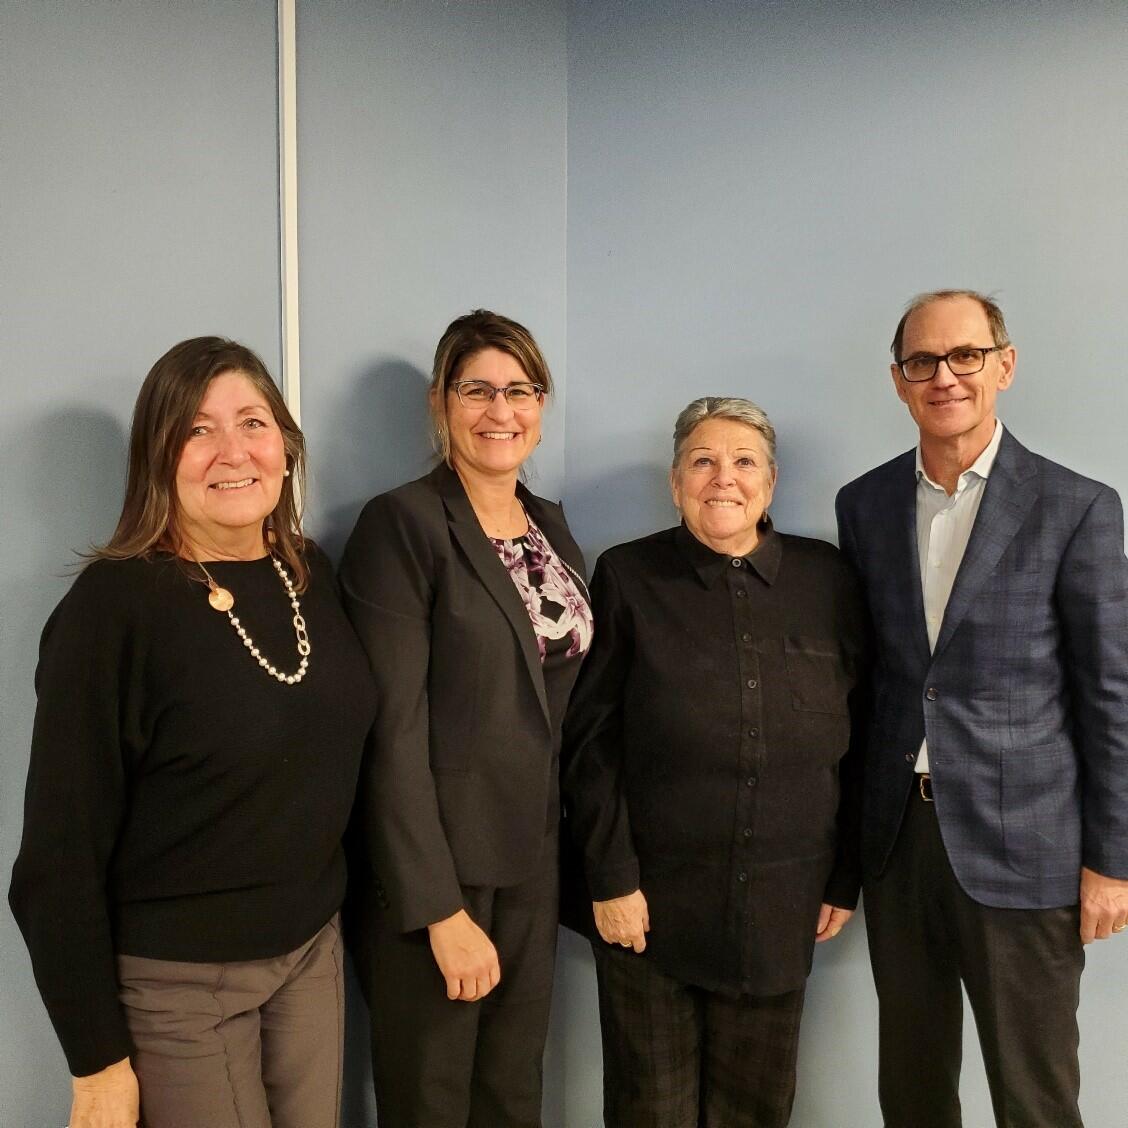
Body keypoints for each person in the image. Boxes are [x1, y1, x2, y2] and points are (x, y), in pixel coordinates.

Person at [8, 337, 377, 1128]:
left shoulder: (308, 571)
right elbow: (56, 857)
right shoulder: (111, 611)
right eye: (197, 430)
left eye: (253, 422)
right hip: (181, 981)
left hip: (310, 952)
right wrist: (97, 1063)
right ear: (157, 457)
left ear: (285, 445)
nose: (232, 451)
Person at [835, 290, 1128, 1128]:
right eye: (923, 361)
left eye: (965, 356)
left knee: (1034, 1099)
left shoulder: (1078, 506)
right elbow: (878, 682)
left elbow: (1110, 694)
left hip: (1027, 847)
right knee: (913, 1092)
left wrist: (1113, 860)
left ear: (1004, 364)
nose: (945, 376)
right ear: (898, 381)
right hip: (901, 844)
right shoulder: (863, 505)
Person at [562, 396, 866, 1128]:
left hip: (782, 909)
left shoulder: (826, 578)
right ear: (675, 482)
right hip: (648, 915)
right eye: (702, 460)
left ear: (770, 480)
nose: (721, 478)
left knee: (755, 1112)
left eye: (743, 461)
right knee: (650, 1112)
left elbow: (865, 731)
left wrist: (844, 876)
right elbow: (590, 741)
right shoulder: (628, 576)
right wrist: (610, 877)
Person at [338, 309, 592, 1128]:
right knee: (433, 1101)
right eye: (477, 389)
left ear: (542, 404)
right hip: (438, 877)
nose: (500, 410)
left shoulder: (549, 526)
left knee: (511, 1094)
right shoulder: (403, 525)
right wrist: (440, 911)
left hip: (531, 861)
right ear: (442, 402)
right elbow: (392, 734)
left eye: (519, 389)